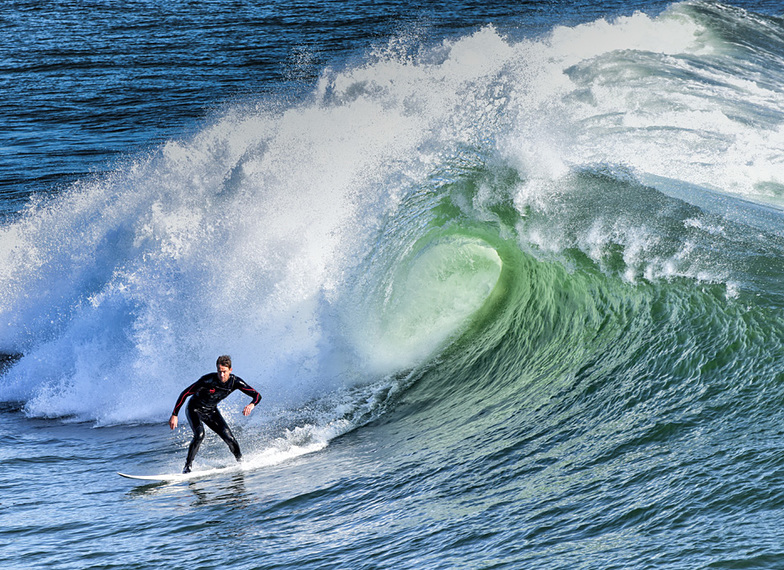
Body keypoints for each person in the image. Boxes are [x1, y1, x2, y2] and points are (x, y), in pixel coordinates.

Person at [169, 355, 261, 473]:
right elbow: (185, 393)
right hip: (194, 409)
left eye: (224, 372)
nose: (222, 375)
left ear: (230, 370)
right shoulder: (207, 380)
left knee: (230, 438)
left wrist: (251, 405)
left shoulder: (235, 382)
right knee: (199, 435)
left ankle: (241, 462)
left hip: (211, 411)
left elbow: (257, 395)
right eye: (219, 371)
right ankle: (187, 467)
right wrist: (174, 414)